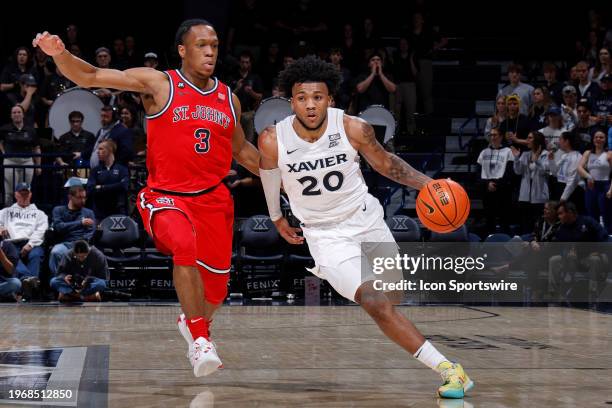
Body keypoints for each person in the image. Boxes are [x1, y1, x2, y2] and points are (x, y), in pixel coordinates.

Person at [34, 18, 260, 377]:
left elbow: (243, 150)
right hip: (166, 196)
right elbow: (91, 76)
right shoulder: (160, 82)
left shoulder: (227, 98)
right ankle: (200, 337)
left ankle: (193, 321)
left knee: (216, 290)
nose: (210, 51)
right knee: (184, 246)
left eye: (214, 45)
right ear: (183, 50)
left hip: (213, 200)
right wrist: (59, 55)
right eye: (201, 45)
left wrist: (285, 176)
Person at [258, 56, 473, 399]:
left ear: (330, 99)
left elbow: (387, 164)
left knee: (393, 295)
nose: (310, 105)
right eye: (302, 98)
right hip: (325, 234)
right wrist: (276, 216)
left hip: (366, 219)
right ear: (291, 101)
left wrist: (430, 186)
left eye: (318, 97)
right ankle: (449, 370)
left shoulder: (353, 127)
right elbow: (269, 174)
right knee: (374, 302)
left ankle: (403, 327)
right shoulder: (273, 139)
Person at [0, 182, 48, 300]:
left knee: (36, 255)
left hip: (32, 243)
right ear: (16, 195)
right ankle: (30, 283)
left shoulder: (39, 213)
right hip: (11, 242)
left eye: (26, 193)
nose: (24, 196)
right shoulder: (5, 212)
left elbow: (41, 231)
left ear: (30, 194)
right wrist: (0, 227)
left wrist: (30, 244)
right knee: (13, 255)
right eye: (21, 193)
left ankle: (28, 291)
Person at [49, 185, 96, 275]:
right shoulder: (58, 210)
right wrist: (80, 223)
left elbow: (91, 232)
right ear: (70, 197)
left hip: (82, 243)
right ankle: (60, 282)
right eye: (79, 197)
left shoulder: (89, 212)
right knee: (55, 252)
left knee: (92, 253)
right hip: (64, 243)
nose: (82, 200)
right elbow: (59, 227)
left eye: (84, 197)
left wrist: (81, 243)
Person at [0, 105, 41, 204]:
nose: (16, 114)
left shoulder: (31, 130)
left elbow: (36, 148)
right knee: (9, 191)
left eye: (19, 112)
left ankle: (24, 213)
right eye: (14, 112)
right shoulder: (4, 128)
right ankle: (8, 213)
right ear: (11, 115)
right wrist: (4, 153)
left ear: (23, 115)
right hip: (10, 161)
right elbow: (0, 142)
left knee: (25, 190)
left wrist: (38, 165)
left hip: (27, 161)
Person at [477, 127, 515, 232]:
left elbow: (509, 172)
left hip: (502, 188)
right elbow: (478, 173)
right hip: (487, 188)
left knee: (504, 217)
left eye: (495, 135)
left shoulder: (508, 151)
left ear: (501, 137)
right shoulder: (483, 152)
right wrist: (487, 184)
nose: (492, 137)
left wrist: (496, 184)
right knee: (489, 218)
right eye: (491, 135)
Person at [511, 131, 550, 233]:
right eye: (527, 138)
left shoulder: (546, 154)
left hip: (539, 195)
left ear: (537, 140)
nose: (527, 140)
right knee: (526, 224)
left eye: (530, 138)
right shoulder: (525, 154)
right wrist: (516, 158)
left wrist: (537, 160)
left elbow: (544, 172)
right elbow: (518, 171)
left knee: (538, 223)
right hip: (525, 196)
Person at [577, 129, 612, 233]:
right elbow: (579, 168)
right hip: (591, 186)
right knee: (591, 214)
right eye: (596, 137)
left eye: (601, 137)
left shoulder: (609, 154)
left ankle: (608, 240)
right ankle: (595, 240)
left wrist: (611, 189)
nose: (598, 139)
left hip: (605, 185)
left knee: (607, 214)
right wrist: (589, 177)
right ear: (593, 139)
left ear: (605, 140)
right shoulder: (588, 153)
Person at [86, 140, 129, 220]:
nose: (98, 152)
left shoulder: (122, 169)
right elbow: (90, 188)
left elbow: (124, 186)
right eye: (98, 149)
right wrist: (115, 186)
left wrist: (101, 187)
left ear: (110, 150)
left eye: (101, 149)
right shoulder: (95, 170)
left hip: (118, 210)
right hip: (100, 211)